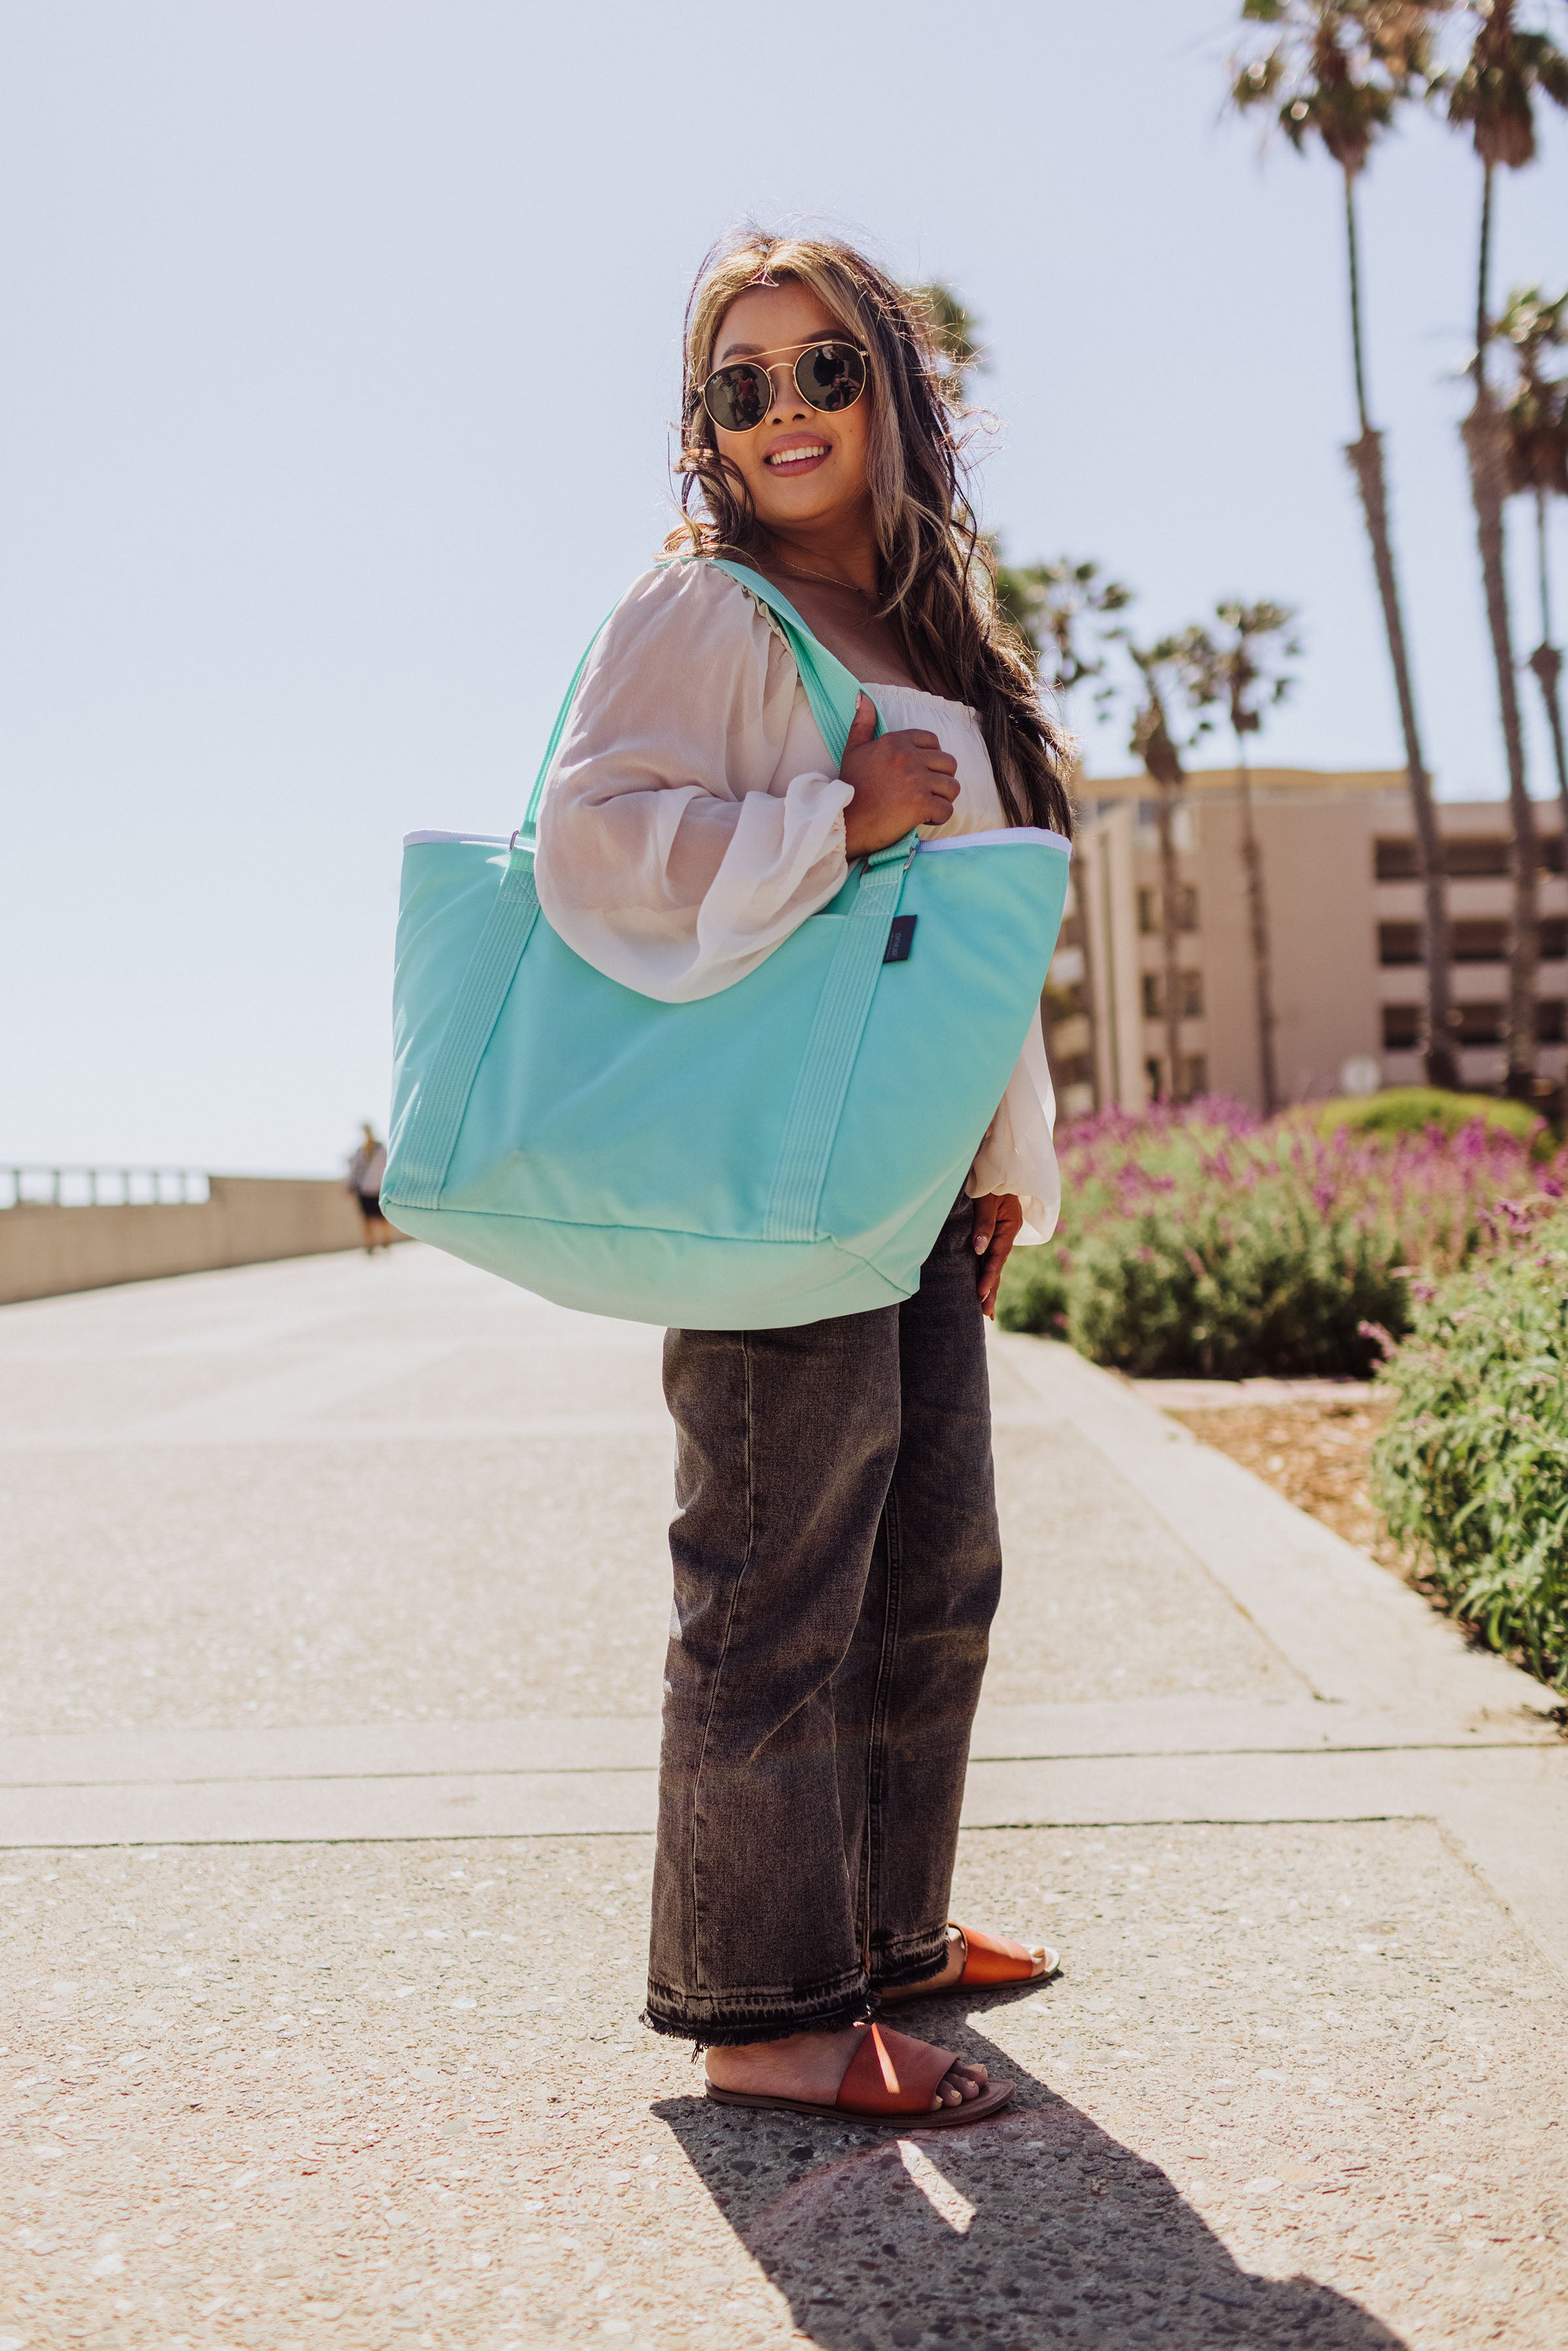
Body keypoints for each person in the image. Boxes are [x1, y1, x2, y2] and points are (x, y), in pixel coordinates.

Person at [533, 231, 1069, 2128]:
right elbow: (590, 843)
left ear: (890, 393)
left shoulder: (931, 634)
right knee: (773, 1574)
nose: (783, 411)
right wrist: (831, 818)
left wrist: (995, 1156)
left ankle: (888, 1932)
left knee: (934, 1561)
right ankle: (762, 2007)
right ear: (706, 424)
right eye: (739, 384)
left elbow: (973, 928)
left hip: (906, 1167)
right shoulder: (703, 608)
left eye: (822, 368)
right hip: (771, 1171)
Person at [346, 1123, 392, 1253]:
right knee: (367, 1220)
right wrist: (349, 1185)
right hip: (364, 1190)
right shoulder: (360, 1151)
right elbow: (354, 1170)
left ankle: (386, 1241)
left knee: (383, 1219)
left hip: (378, 1189)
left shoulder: (381, 1150)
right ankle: (370, 1245)